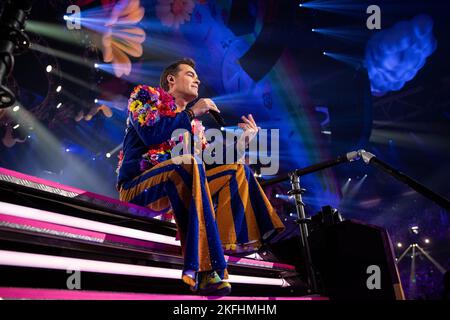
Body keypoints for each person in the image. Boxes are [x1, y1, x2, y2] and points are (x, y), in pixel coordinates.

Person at [116, 58, 285, 296]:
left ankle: (232, 243)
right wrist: (192, 112)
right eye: (190, 74)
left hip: (179, 186)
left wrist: (243, 142)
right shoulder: (145, 97)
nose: (198, 79)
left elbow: (209, 164)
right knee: (188, 163)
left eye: (197, 76)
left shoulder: (194, 127)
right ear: (171, 80)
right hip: (139, 187)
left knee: (237, 170)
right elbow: (151, 135)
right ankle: (206, 269)